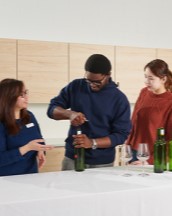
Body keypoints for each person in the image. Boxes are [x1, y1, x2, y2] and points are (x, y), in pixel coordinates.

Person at [47, 54, 131, 170]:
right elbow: (52, 109)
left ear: (108, 76)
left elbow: (121, 135)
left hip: (102, 163)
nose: (92, 85)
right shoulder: (76, 86)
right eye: (88, 81)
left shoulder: (119, 99)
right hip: (72, 158)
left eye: (97, 82)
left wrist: (92, 143)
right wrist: (70, 114)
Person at [0, 78, 53, 176]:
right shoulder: (2, 123)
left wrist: (40, 150)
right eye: (21, 95)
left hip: (30, 175)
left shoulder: (29, 116)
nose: (26, 97)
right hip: (7, 180)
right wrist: (27, 148)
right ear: (9, 97)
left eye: (26, 93)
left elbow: (38, 140)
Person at [126, 59, 172, 165]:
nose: (146, 81)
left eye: (151, 78)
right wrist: (127, 147)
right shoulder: (144, 92)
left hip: (153, 156)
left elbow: (170, 140)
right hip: (133, 150)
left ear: (163, 79)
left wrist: (149, 161)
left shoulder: (169, 102)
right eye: (145, 77)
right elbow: (133, 121)